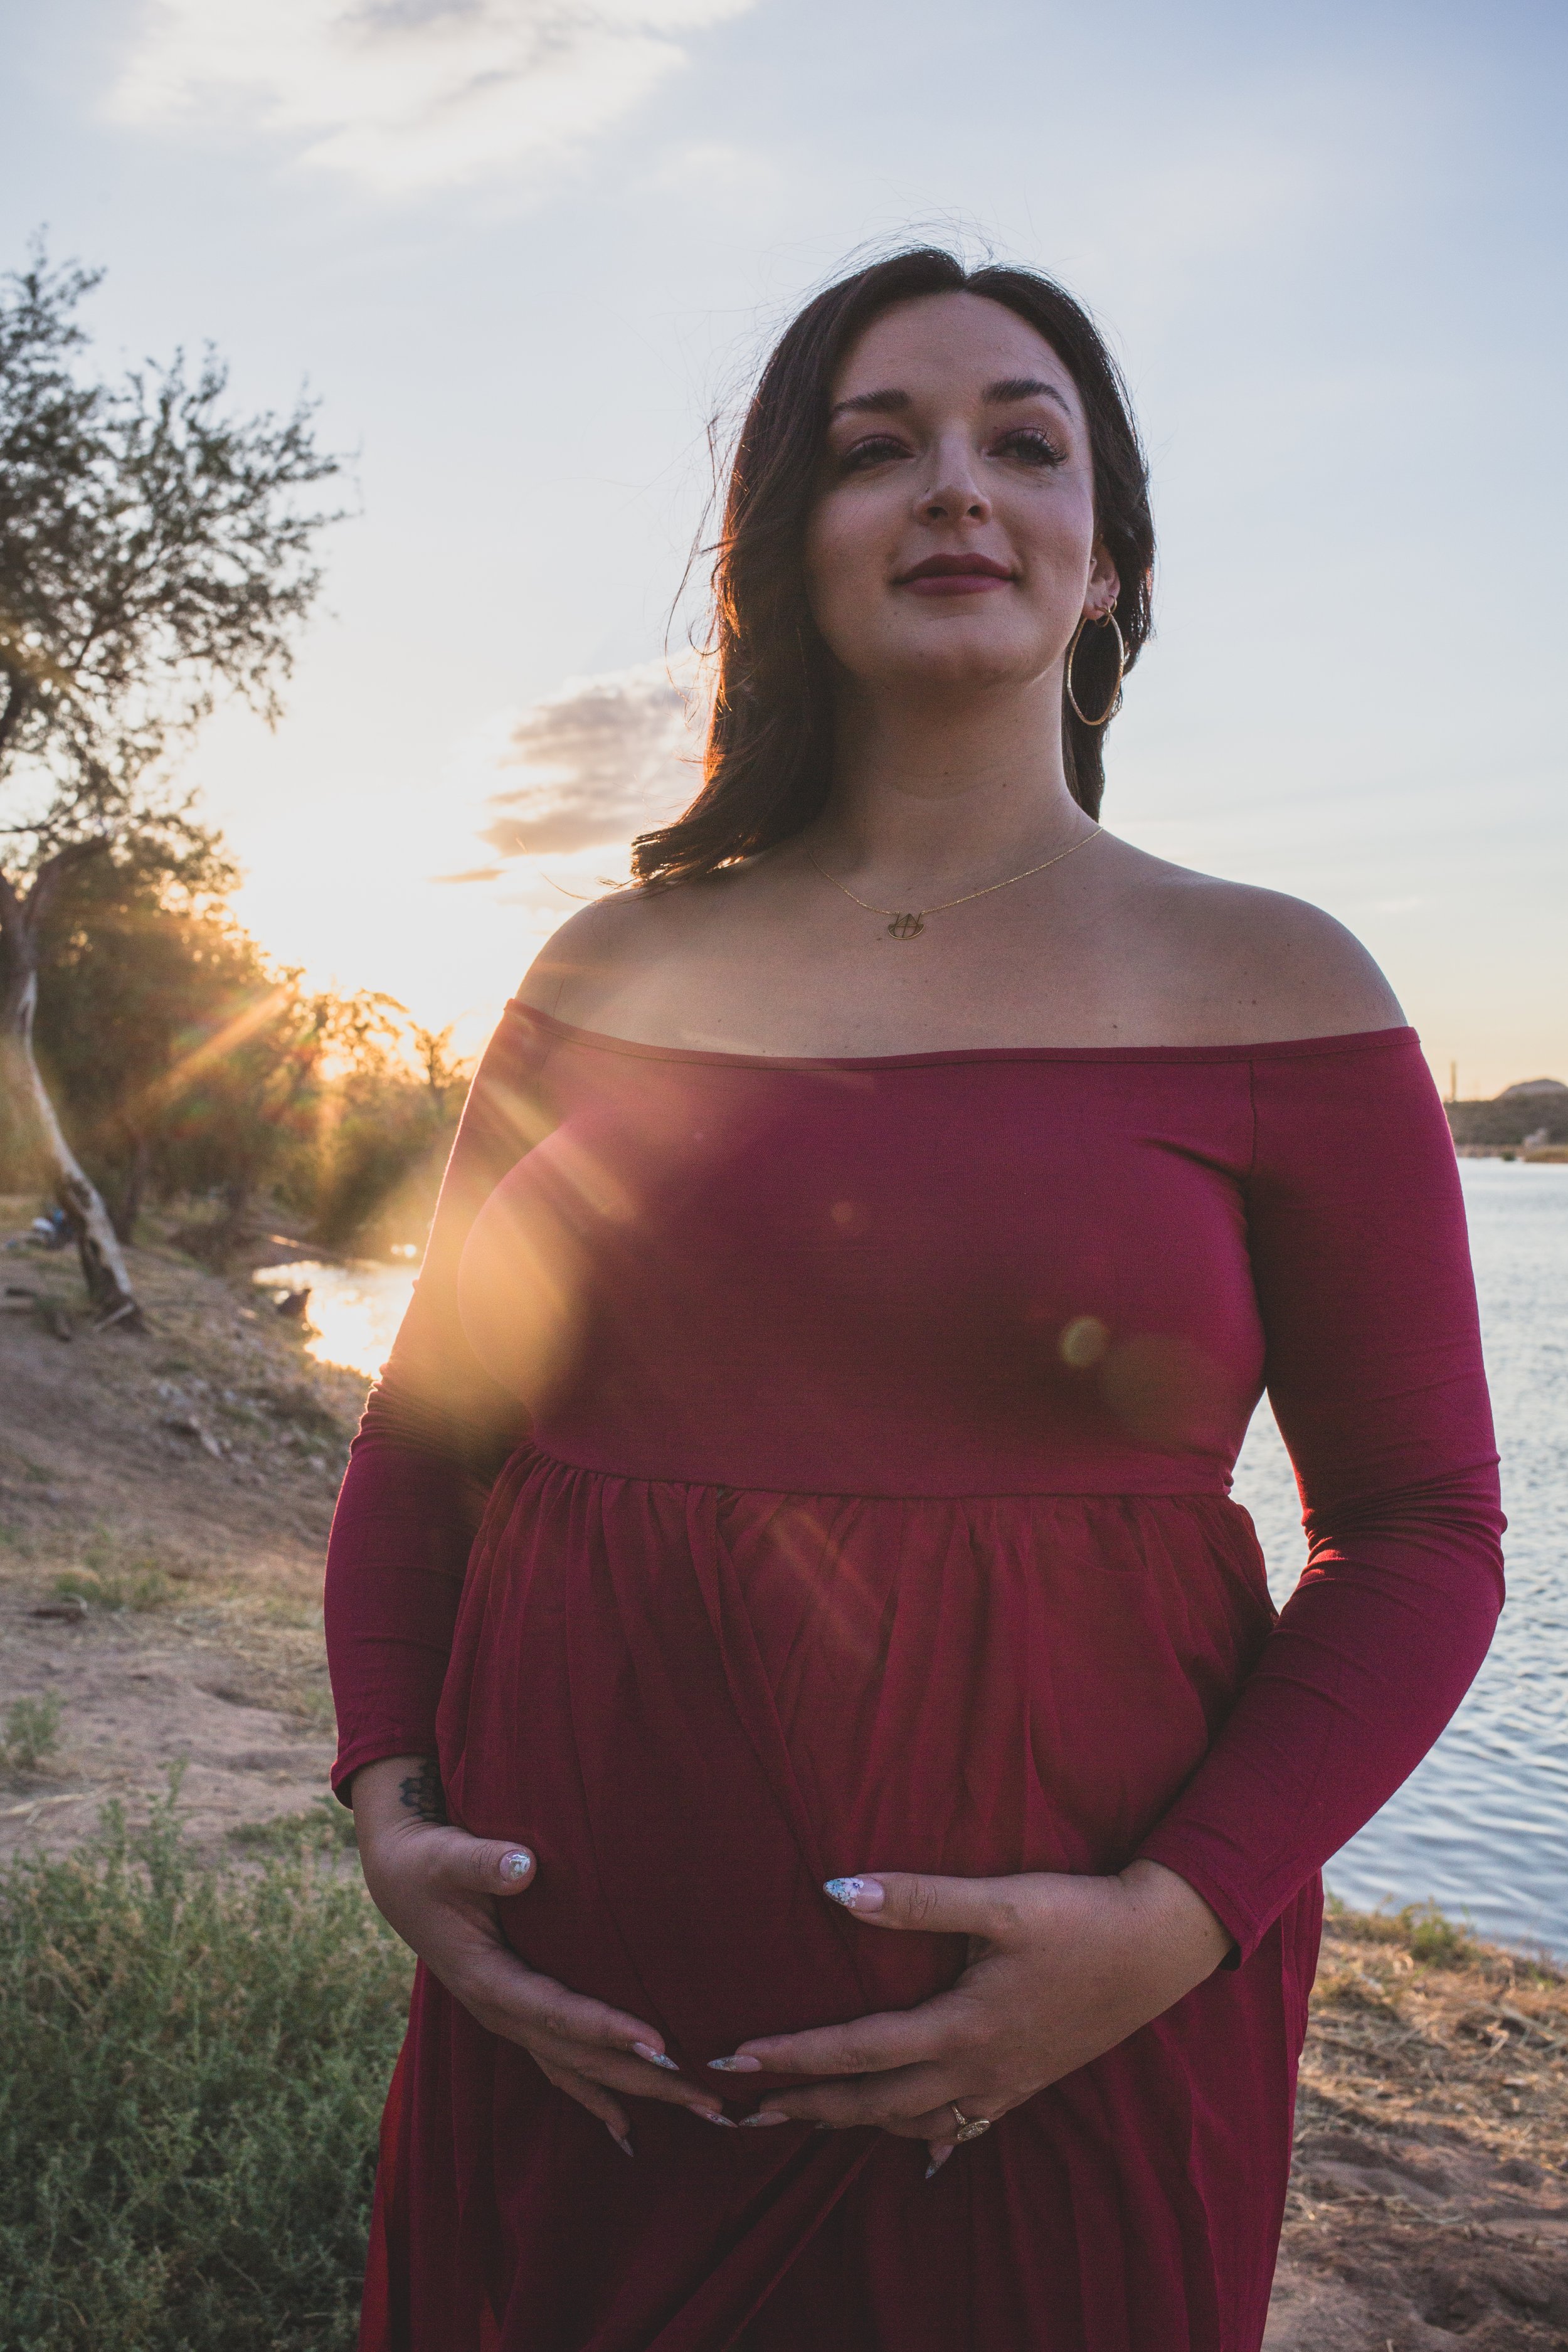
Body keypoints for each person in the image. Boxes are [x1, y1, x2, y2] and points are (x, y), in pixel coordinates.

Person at [326, 246, 1503, 2352]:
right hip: (575, 2061)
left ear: (1109, 568)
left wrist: (1163, 1931)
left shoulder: (1280, 984)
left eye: (1020, 444)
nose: (954, 486)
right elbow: (427, 1442)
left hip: (1050, 2061)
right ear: (786, 557)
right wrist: (387, 1811)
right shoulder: (604, 975)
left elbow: (1416, 1535)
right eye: (879, 451)